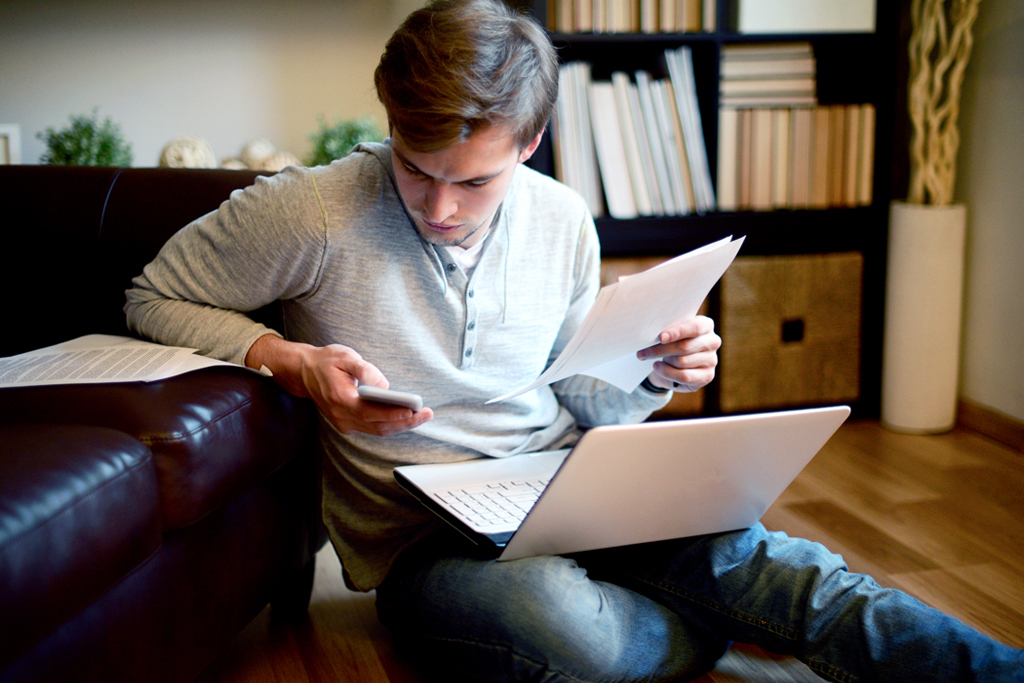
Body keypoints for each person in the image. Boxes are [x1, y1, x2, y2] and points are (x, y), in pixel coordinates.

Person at [125, 0, 1022, 680]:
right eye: (414, 168)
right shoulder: (311, 210)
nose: (438, 207)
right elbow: (153, 294)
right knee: (566, 628)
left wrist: (654, 373)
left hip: (571, 485)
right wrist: (289, 360)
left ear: (533, 142)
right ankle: (715, 625)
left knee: (794, 569)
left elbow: (580, 395)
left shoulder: (561, 217)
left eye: (471, 182)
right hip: (424, 542)